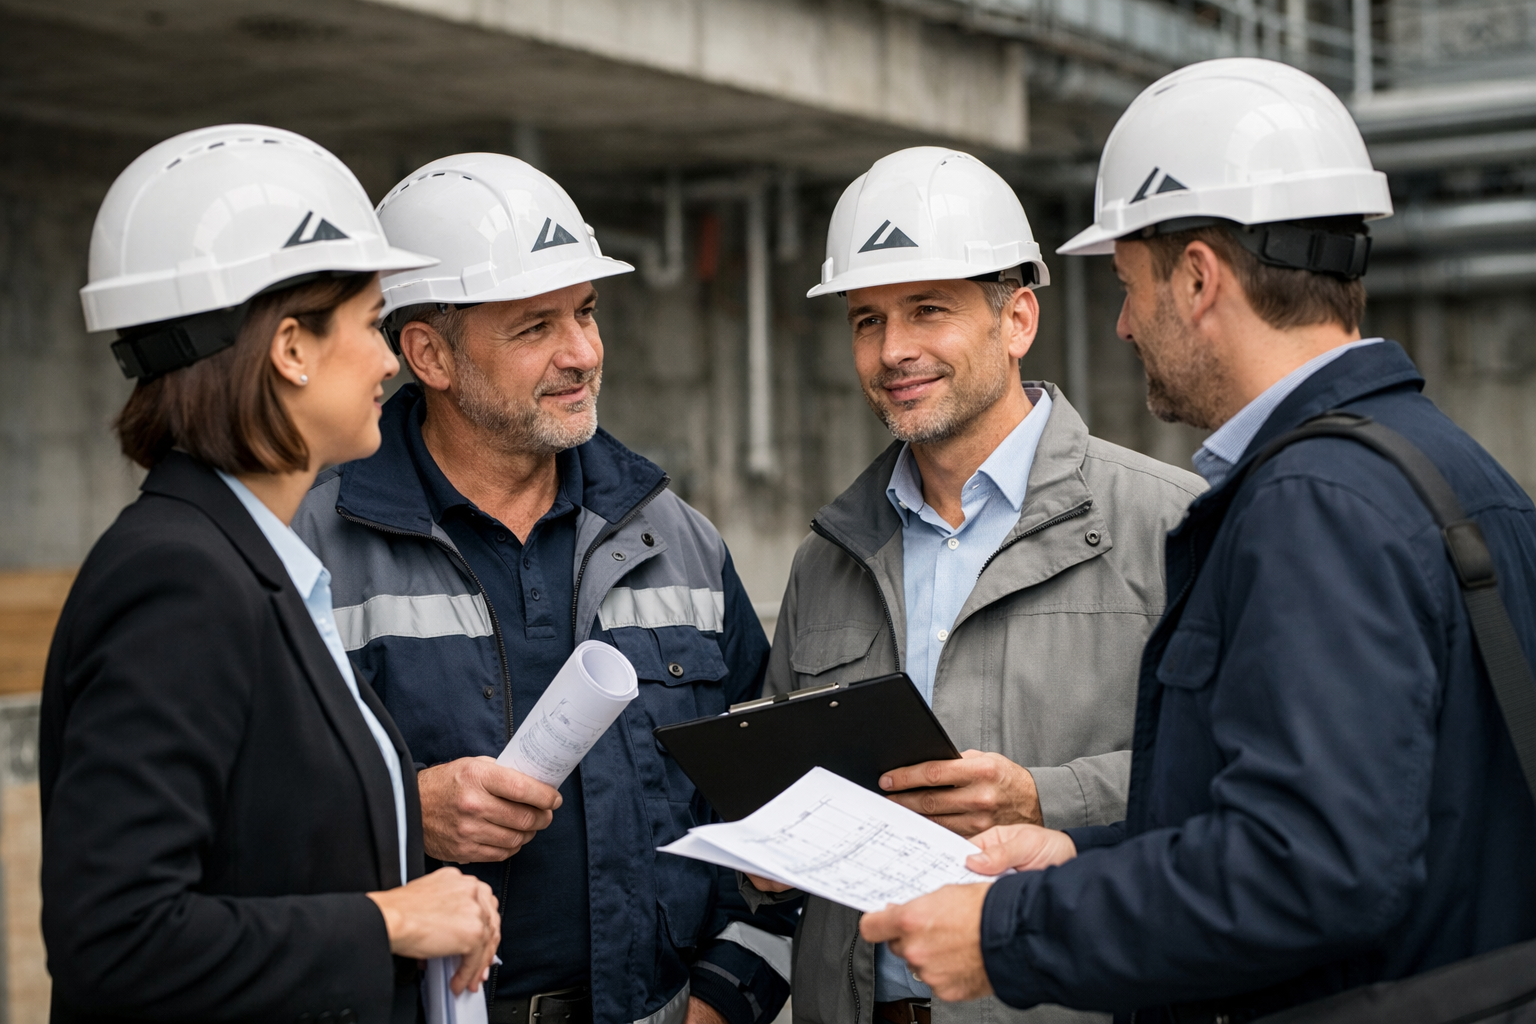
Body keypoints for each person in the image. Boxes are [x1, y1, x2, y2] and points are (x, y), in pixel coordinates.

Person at [859, 58, 1536, 1022]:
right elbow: (1378, 823)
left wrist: (1009, 932)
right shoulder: (1451, 470)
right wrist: (1078, 853)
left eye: (1129, 285)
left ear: (1198, 277)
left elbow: (1306, 869)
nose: (1124, 325)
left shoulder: (1314, 504)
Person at [293, 153, 796, 1024]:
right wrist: (402, 813)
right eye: (535, 327)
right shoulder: (312, 551)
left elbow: (779, 805)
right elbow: (243, 831)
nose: (583, 354)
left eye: (586, 312)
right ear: (429, 354)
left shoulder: (677, 539)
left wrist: (725, 999)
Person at [41, 125, 502, 1024]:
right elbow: (116, 939)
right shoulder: (179, 580)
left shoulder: (250, 562)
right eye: (370, 323)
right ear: (291, 349)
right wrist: (389, 922)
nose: (388, 359)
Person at [739, 146, 1205, 1024]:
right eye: (867, 320)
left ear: (1017, 319)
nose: (894, 350)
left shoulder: (1168, 524)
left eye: (928, 310)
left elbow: (1232, 788)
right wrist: (768, 850)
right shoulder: (830, 556)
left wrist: (1047, 799)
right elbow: (783, 799)